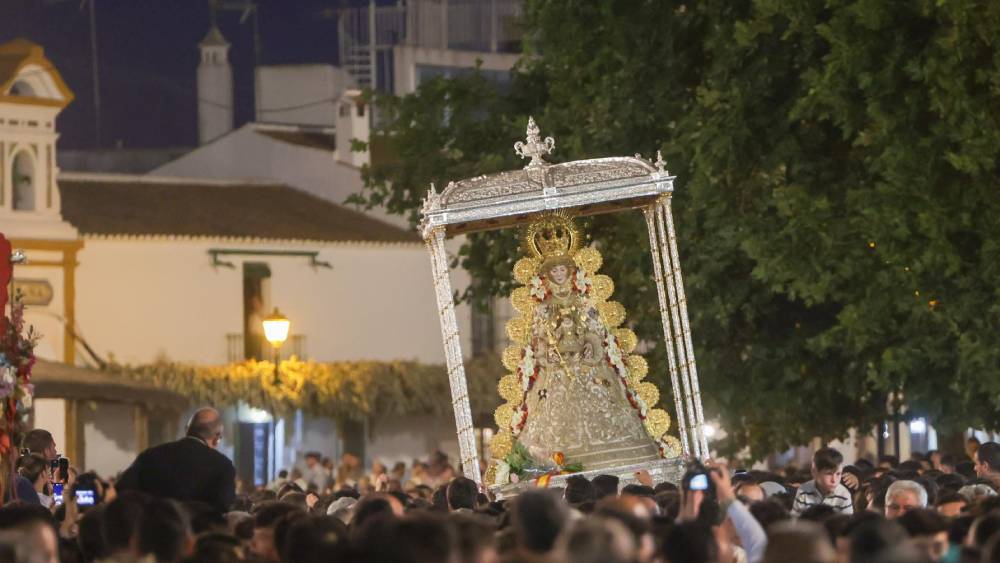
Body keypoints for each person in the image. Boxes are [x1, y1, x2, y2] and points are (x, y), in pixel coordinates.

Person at [116, 407, 236, 513]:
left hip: (152, 528)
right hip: (198, 530)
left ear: (187, 429)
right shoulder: (223, 465)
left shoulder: (150, 455)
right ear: (217, 438)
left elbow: (123, 489)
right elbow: (223, 506)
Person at [792, 448, 854, 516]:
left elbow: (847, 521)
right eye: (829, 473)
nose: (834, 480)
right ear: (814, 472)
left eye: (838, 474)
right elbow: (796, 519)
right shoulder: (803, 491)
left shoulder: (844, 494)